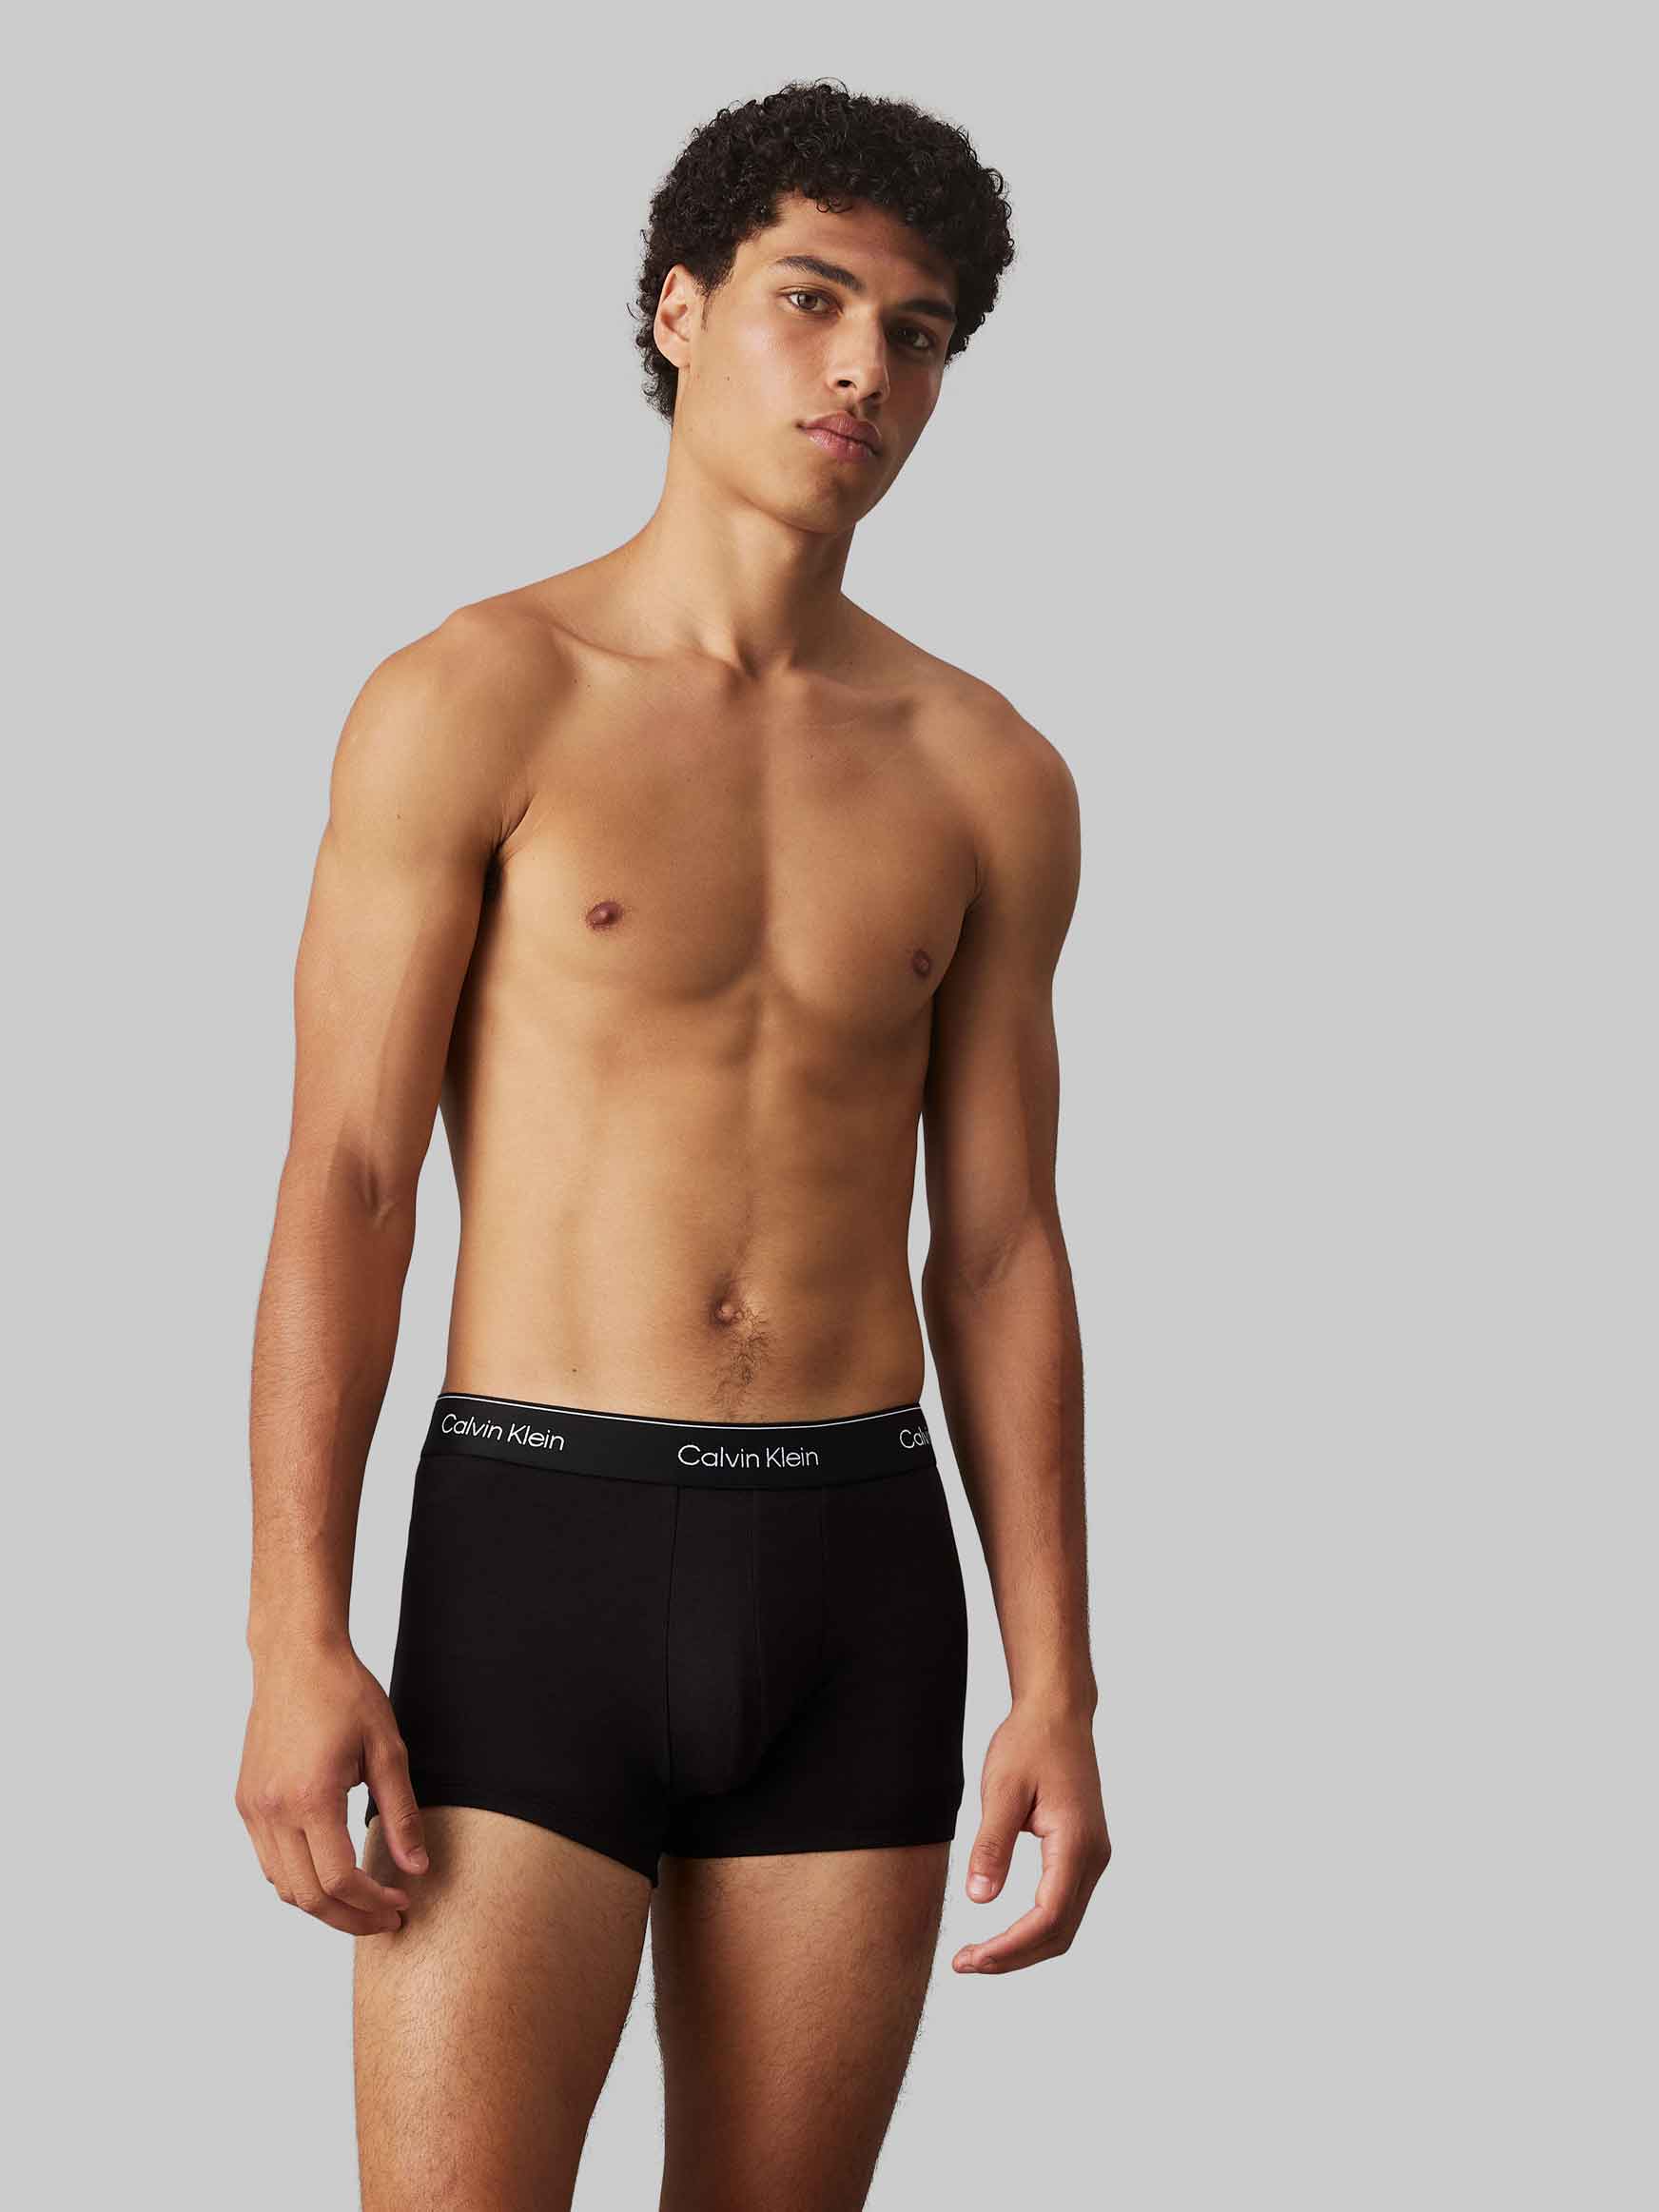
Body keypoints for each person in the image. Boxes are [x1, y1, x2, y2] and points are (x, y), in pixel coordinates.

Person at [237, 77, 1111, 2211]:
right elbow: (349, 1178)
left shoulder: (985, 771)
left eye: (916, 334)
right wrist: (292, 1633)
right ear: (679, 308)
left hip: (853, 1573)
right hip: (538, 1542)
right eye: (812, 300)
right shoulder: (480, 694)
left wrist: (1058, 1683)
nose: (863, 368)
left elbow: (999, 1246)